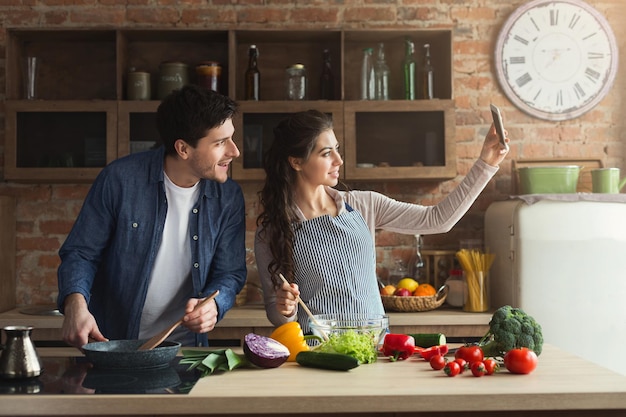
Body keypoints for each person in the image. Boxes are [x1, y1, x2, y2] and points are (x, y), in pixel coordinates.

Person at [255, 109, 509, 334]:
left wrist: (486, 163)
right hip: (319, 354)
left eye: (337, 149)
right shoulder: (272, 230)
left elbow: (438, 219)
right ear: (296, 161)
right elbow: (275, 314)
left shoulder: (364, 205)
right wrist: (285, 308)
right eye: (326, 153)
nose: (338, 160)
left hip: (375, 347)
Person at [57, 85, 247, 349]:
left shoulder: (229, 197)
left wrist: (215, 303)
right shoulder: (119, 180)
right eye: (219, 142)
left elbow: (230, 272)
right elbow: (81, 253)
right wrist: (75, 304)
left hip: (185, 350)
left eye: (231, 138)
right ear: (183, 148)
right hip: (114, 345)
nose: (234, 151)